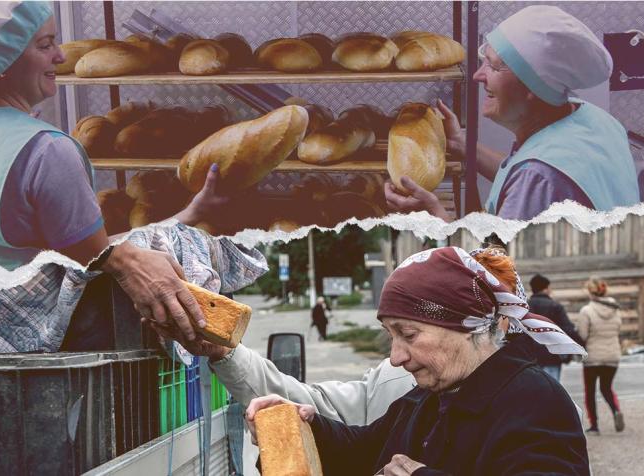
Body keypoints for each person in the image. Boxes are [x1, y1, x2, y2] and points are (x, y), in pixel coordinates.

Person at [0, 1, 232, 342]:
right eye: (45, 46)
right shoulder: (48, 151)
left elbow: (87, 250)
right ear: (5, 60)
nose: (60, 56)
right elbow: (96, 258)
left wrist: (192, 212)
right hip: (45, 349)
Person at [246, 247, 589, 475]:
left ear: (466, 326)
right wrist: (304, 424)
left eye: (408, 335)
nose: (395, 357)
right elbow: (362, 449)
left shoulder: (537, 403)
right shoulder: (426, 398)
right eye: (390, 336)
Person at [385, 5, 640, 221]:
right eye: (484, 60)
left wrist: (434, 217)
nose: (477, 75)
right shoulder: (595, 119)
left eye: (494, 67)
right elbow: (526, 177)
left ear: (532, 87)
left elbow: (491, 272)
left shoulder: (538, 177)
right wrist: (463, 145)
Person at [577, 276, 625, 435]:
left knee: (590, 391)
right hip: (612, 355)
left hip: (592, 357)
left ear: (590, 292)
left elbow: (583, 335)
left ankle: (595, 425)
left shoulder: (587, 311)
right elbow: (618, 329)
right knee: (606, 388)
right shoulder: (615, 308)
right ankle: (616, 410)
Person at [527, 273, 585, 381]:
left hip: (530, 357)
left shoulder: (526, 306)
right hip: (552, 355)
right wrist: (581, 345)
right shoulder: (555, 306)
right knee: (552, 390)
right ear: (546, 288)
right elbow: (568, 329)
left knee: (534, 392)